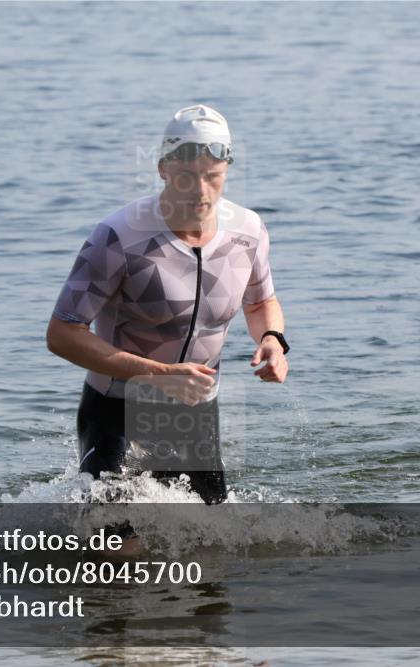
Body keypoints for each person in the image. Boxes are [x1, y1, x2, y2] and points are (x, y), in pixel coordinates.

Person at [47, 104, 289, 507]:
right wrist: (159, 374)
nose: (201, 191)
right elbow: (62, 334)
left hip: (195, 415)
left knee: (211, 535)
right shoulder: (119, 236)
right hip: (117, 412)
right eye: (186, 176)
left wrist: (272, 338)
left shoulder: (248, 231)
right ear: (163, 169)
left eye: (212, 176)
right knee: (117, 538)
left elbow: (262, 301)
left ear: (227, 170)